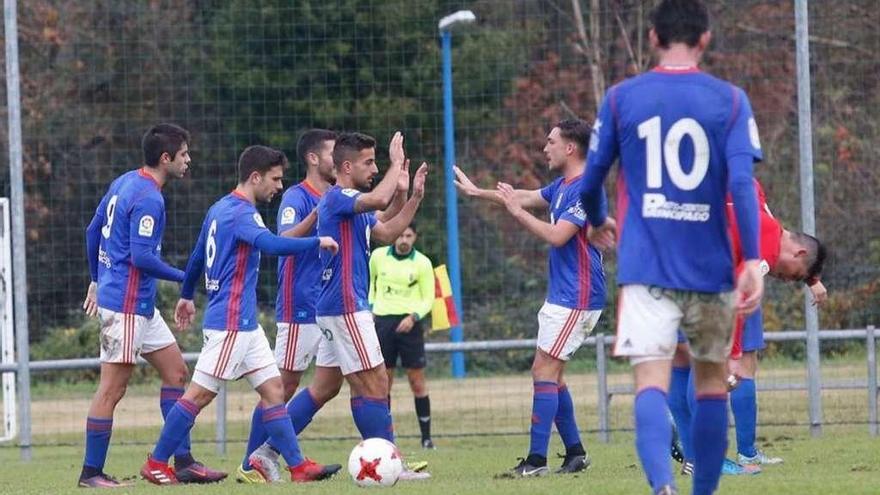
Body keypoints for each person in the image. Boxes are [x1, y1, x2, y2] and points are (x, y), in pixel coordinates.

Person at [578, 1, 765, 494]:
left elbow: (590, 179)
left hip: (646, 267)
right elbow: (743, 185)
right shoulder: (731, 101)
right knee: (710, 386)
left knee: (651, 384)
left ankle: (662, 487)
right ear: (704, 40)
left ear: (654, 37)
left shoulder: (621, 99)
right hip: (711, 269)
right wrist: (750, 259)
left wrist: (598, 222)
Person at [139, 145, 341, 485]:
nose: (279, 186)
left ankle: (298, 467)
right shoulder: (242, 214)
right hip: (230, 323)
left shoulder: (220, 208)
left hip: (245, 326)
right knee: (199, 395)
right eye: (275, 179)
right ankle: (157, 462)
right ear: (255, 176)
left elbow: (196, 258)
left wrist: (187, 295)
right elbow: (273, 245)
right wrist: (316, 241)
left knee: (274, 391)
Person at [454, 118, 606, 476]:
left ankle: (536, 460)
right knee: (554, 375)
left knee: (543, 370)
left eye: (551, 141)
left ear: (570, 148)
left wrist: (516, 212)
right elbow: (520, 197)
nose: (545, 147)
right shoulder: (563, 185)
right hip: (566, 294)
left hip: (578, 296)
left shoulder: (587, 189)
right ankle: (575, 453)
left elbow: (557, 236)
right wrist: (479, 193)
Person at [79, 123, 225, 487]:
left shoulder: (125, 181)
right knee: (112, 389)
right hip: (125, 305)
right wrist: (187, 278)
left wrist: (97, 277)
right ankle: (91, 473)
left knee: (176, 373)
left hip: (140, 304)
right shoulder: (148, 197)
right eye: (184, 154)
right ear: (166, 158)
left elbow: (92, 230)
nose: (189, 160)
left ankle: (184, 462)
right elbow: (142, 258)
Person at [669, 179, 828, 476]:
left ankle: (694, 455)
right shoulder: (765, 247)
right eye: (796, 276)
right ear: (800, 254)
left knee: (682, 363)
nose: (787, 279)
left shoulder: (748, 192)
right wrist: (734, 352)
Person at [235, 129, 343, 484]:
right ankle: (253, 463)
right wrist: (317, 218)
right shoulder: (297, 197)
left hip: (330, 305)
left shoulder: (337, 196)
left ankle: (267, 454)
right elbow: (282, 239)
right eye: (331, 153)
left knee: (329, 385)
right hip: (300, 305)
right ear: (313, 158)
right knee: (279, 388)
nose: (337, 158)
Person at [368, 223, 436, 449]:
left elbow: (428, 298)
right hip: (383, 323)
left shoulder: (423, 263)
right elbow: (370, 285)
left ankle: (426, 438)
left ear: (415, 237)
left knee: (417, 382)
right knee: (382, 383)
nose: (404, 239)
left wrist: (414, 317)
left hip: (410, 324)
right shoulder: (378, 257)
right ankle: (384, 439)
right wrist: (370, 309)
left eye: (409, 235)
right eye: (400, 234)